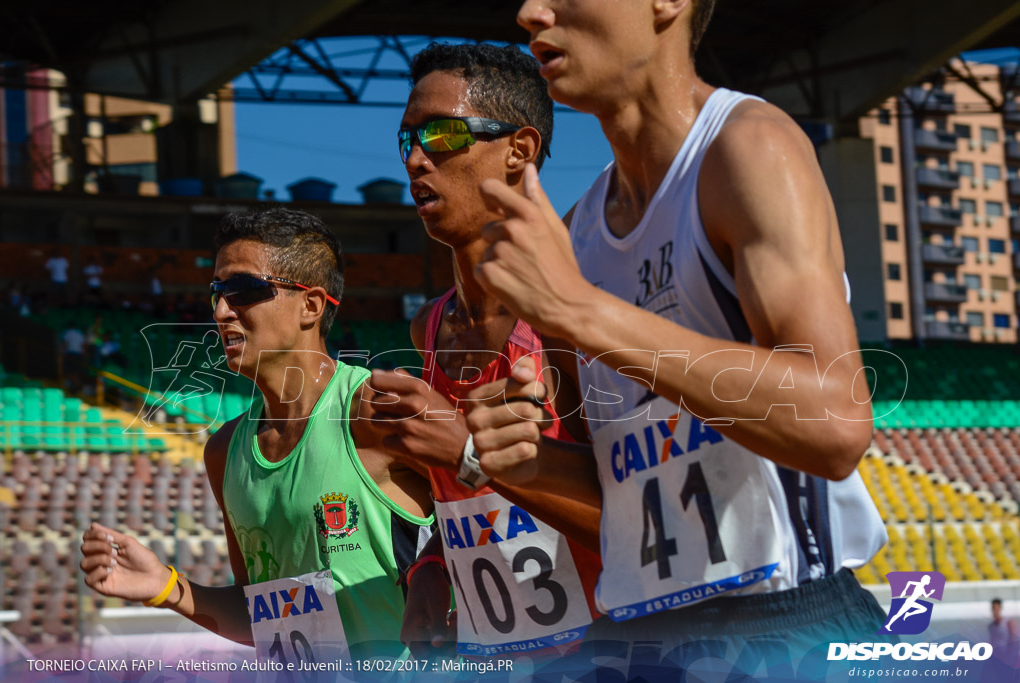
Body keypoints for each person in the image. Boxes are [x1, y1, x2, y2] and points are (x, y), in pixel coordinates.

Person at [464, 0, 888, 669]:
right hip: (645, 631)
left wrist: (584, 312)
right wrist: (529, 463)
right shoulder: (577, 230)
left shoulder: (749, 147)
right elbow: (622, 489)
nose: (528, 12)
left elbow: (834, 422)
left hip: (785, 621)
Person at [80, 208, 435, 662]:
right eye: (216, 293)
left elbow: (497, 515)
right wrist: (168, 587)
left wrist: (435, 568)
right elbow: (263, 615)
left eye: (244, 291)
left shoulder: (375, 410)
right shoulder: (224, 450)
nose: (222, 311)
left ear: (312, 305)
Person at [367, 42, 601, 660]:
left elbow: (630, 519)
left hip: (605, 656)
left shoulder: (572, 312)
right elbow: (470, 500)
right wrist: (430, 573)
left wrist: (468, 452)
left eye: (442, 135)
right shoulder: (430, 326)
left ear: (519, 150)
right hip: (494, 657)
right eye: (407, 140)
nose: (416, 159)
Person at [989, 598, 1019, 662]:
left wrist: (1009, 655)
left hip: (1007, 655)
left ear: (1000, 608)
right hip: (996, 656)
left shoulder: (1008, 622)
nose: (995, 611)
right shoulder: (991, 626)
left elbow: (1013, 640)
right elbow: (992, 641)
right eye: (993, 608)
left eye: (996, 608)